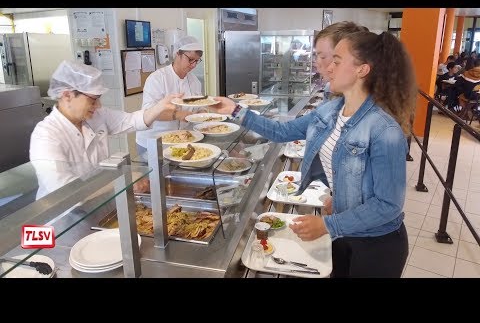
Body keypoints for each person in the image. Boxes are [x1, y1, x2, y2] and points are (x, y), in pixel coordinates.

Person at [214, 30, 417, 277]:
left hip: (377, 245)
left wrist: (327, 224)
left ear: (362, 70)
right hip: (343, 233)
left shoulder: (385, 130)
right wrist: (235, 110)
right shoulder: (331, 111)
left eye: (337, 61)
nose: (328, 67)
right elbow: (282, 131)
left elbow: (388, 205)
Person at [29, 60, 180, 199]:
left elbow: (131, 120)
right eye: (93, 99)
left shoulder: (96, 116)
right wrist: (124, 181)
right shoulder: (45, 136)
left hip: (99, 204)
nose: (98, 106)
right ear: (67, 95)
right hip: (64, 219)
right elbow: (66, 192)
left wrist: (160, 107)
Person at [135, 36, 205, 156]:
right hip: (154, 141)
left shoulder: (194, 81)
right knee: (156, 174)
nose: (193, 65)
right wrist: (177, 115)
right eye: (190, 60)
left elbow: (198, 105)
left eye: (197, 61)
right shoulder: (157, 78)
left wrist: (202, 112)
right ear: (178, 54)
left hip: (181, 140)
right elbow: (148, 112)